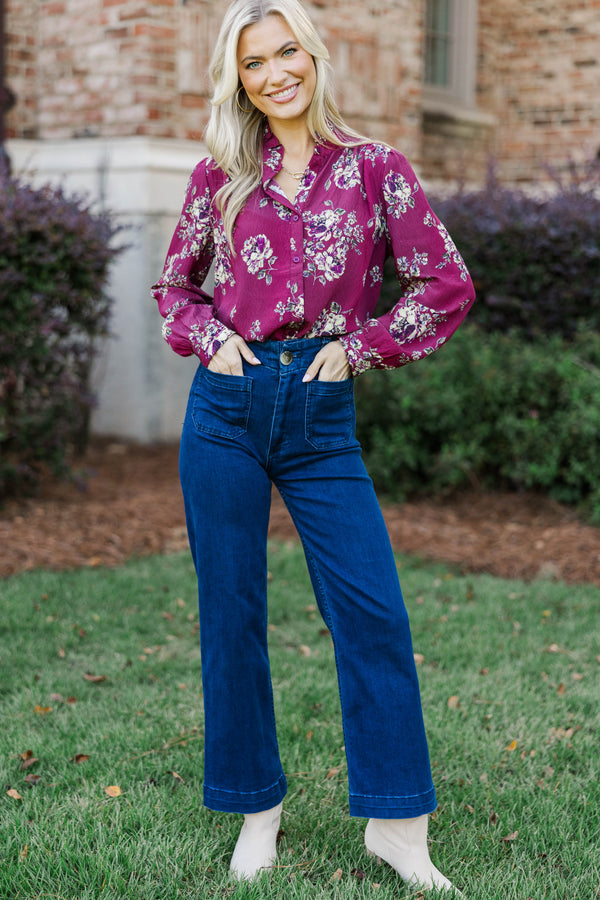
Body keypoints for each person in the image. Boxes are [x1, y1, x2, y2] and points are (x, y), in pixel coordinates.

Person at [152, 0, 474, 892]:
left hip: (318, 411)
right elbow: (175, 286)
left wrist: (361, 347)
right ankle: (258, 809)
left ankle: (399, 827)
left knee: (372, 612)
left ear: (313, 56)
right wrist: (207, 337)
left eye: (285, 51)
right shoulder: (221, 171)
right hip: (224, 408)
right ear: (240, 80)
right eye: (253, 63)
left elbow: (446, 283)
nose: (274, 73)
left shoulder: (377, 169)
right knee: (232, 616)